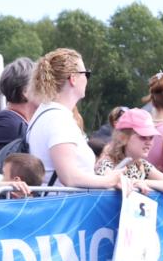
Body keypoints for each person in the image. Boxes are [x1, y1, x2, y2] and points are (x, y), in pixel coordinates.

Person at [25, 49, 123, 191]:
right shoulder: (59, 120)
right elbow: (69, 177)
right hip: (65, 207)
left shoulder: (45, 113)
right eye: (86, 74)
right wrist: (109, 180)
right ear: (73, 78)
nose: (87, 79)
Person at [96, 108, 163, 195]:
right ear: (123, 137)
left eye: (151, 137)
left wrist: (144, 182)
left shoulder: (142, 165)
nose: (149, 143)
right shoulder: (107, 162)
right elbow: (107, 179)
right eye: (143, 136)